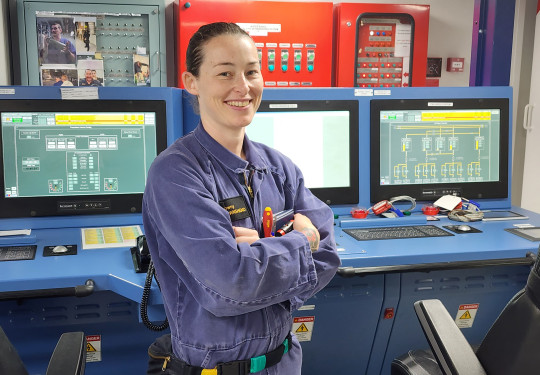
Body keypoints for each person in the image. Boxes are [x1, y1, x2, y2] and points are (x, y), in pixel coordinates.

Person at [142, 22, 340, 375]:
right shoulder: (176, 173)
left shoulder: (278, 166)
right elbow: (231, 285)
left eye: (252, 72)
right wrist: (301, 240)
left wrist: (263, 253)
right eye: (225, 73)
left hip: (284, 361)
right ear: (192, 82)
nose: (243, 87)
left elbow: (328, 254)